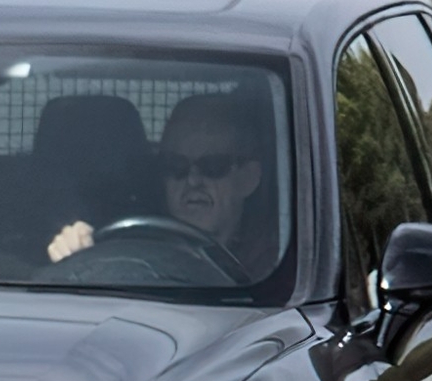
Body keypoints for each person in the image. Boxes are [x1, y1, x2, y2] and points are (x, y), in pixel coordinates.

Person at [45, 93, 273, 274]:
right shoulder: (124, 243)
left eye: (212, 166)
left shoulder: (278, 271)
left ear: (249, 178)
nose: (193, 181)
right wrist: (74, 255)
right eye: (176, 166)